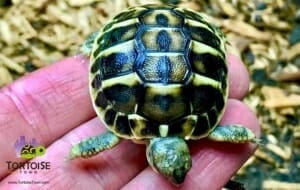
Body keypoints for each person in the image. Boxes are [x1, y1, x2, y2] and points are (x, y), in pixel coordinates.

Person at [0, 54, 260, 189]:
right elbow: (221, 131)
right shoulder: (207, 127)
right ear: (151, 156)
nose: (177, 179)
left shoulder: (121, 131)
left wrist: (78, 152)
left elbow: (102, 140)